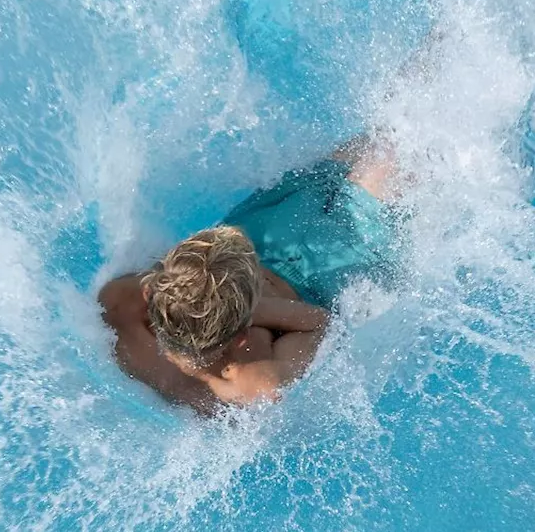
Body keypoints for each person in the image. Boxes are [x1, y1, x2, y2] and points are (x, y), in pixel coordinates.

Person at [98, 134, 401, 414]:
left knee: (384, 150)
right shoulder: (256, 379)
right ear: (242, 334)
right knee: (383, 146)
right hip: (296, 254)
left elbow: (319, 324)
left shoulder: (120, 310)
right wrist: (248, 311)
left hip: (282, 240)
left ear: (150, 292)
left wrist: (237, 307)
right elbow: (322, 324)